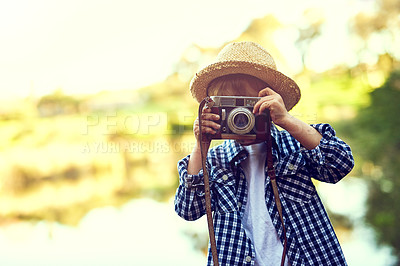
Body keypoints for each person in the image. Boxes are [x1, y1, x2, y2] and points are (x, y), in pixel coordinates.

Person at [174, 41, 354, 265]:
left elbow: (340, 165)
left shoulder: (295, 143)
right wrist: (200, 146)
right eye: (231, 109)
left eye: (250, 106)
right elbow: (187, 209)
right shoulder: (214, 160)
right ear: (216, 110)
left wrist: (287, 120)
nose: (241, 118)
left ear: (271, 102)